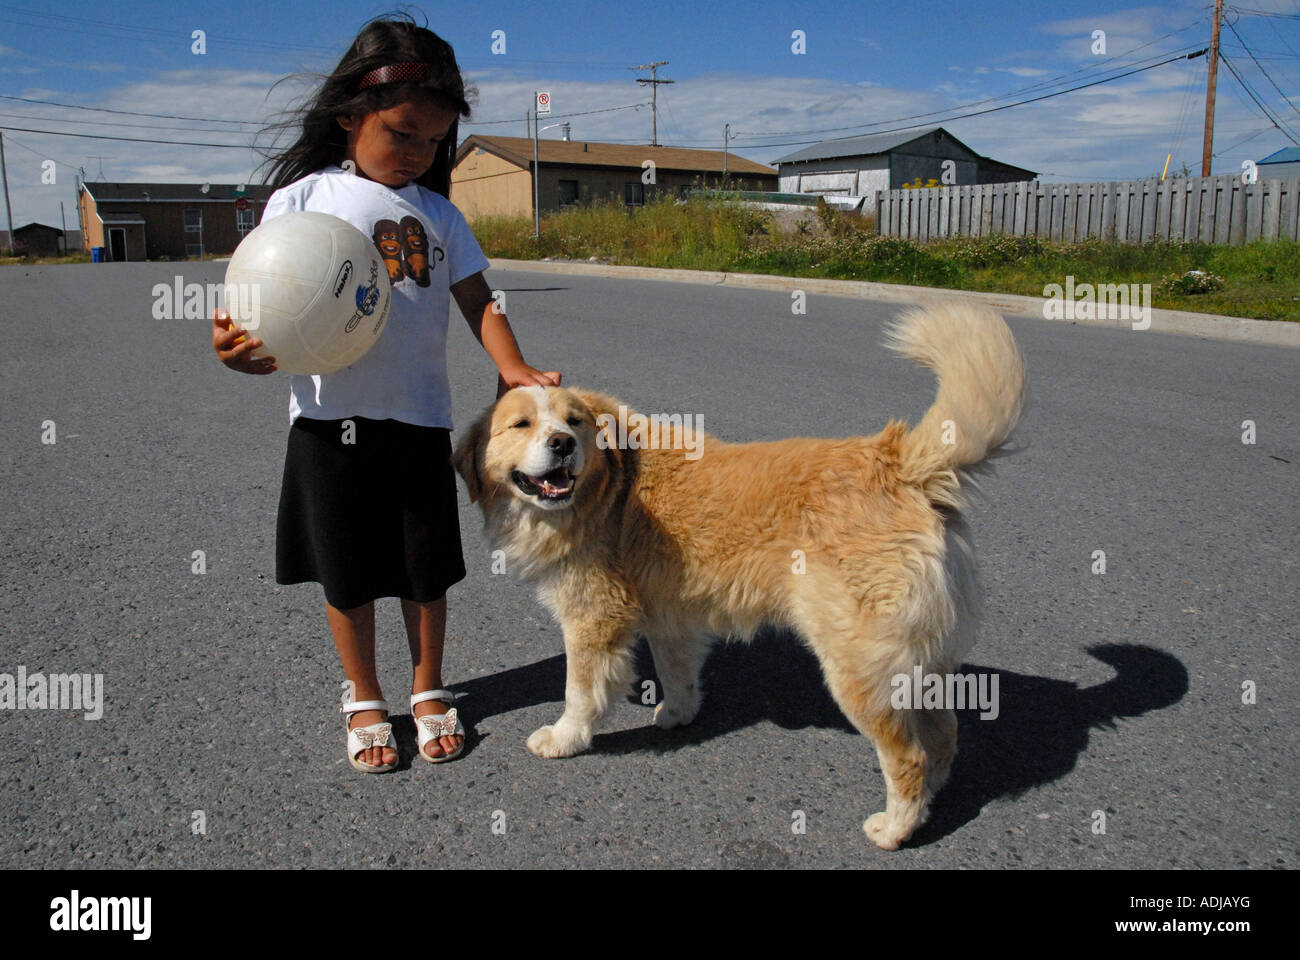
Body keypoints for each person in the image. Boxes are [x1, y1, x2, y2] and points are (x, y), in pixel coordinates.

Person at [212, 15, 560, 772]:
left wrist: (515, 366)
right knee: (347, 569)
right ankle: (364, 692)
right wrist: (235, 346)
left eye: (433, 141)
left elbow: (477, 298)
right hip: (326, 421)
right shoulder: (302, 201)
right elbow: (257, 299)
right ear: (348, 116)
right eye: (402, 133)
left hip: (416, 422)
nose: (419, 154)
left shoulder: (439, 215)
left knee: (424, 568)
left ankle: (429, 687)